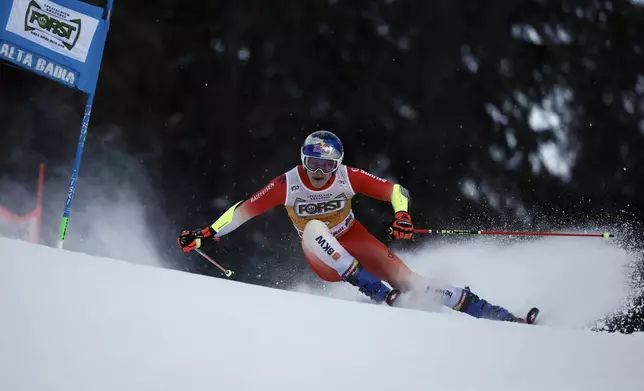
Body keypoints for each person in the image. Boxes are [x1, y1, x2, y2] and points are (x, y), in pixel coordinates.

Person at [178, 130, 529, 323]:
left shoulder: (347, 177)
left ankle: (495, 315)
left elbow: (395, 190)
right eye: (312, 162)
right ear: (303, 161)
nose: (318, 172)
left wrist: (402, 215)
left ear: (337, 164)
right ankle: (375, 290)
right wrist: (206, 235)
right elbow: (243, 210)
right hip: (324, 256)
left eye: (326, 165)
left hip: (355, 238)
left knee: (413, 282)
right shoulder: (288, 184)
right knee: (315, 227)